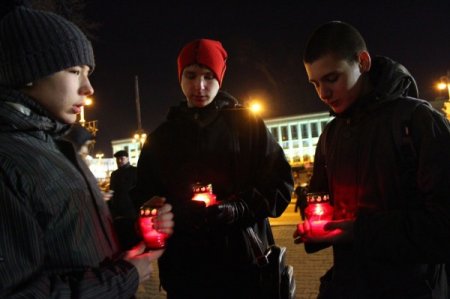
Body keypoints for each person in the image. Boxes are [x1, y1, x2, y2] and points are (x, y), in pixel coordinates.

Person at [0, 2, 173, 298]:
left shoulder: (53, 146)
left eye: (88, 72)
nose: (88, 88)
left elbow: (67, 238)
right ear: (28, 72)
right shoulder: (9, 159)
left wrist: (134, 229)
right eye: (73, 71)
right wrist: (124, 276)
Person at [293, 21, 450, 298]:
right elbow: (321, 201)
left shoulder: (418, 122)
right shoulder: (330, 136)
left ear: (362, 62)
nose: (322, 94)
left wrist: (358, 231)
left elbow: (442, 225)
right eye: (314, 83)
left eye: (331, 78)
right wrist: (313, 220)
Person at [132, 38, 294, 299]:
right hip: (186, 272)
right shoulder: (162, 138)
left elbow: (280, 184)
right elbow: (143, 195)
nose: (199, 86)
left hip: (244, 269)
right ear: (180, 76)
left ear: (220, 77)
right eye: (191, 75)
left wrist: (239, 209)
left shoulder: (248, 126)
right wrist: (166, 212)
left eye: (209, 76)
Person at [109, 150, 140, 250]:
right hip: (118, 213)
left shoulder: (135, 171)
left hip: (132, 213)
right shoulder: (114, 174)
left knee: (133, 240)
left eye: (122, 158)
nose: (119, 161)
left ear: (127, 158)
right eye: (118, 159)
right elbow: (112, 192)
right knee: (121, 241)